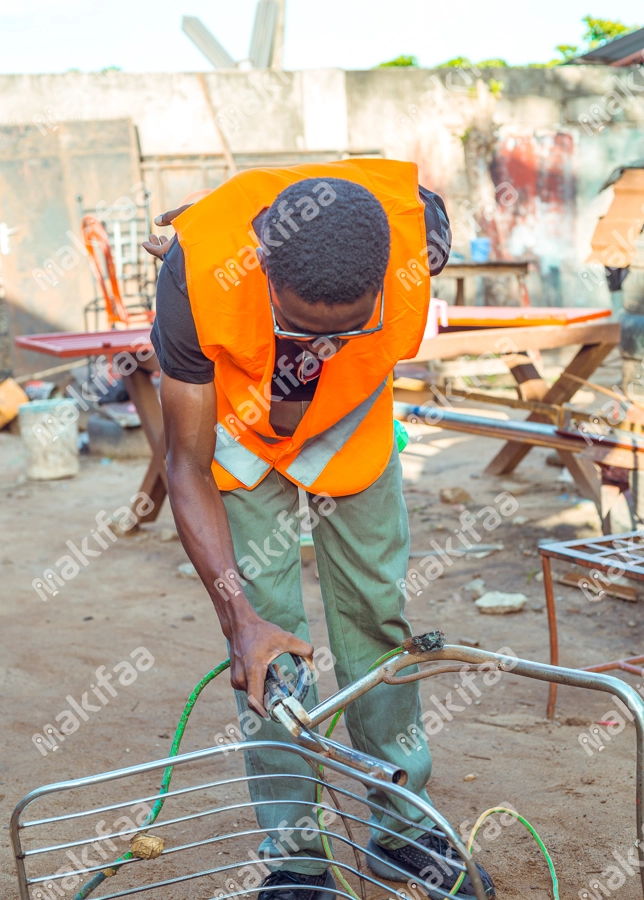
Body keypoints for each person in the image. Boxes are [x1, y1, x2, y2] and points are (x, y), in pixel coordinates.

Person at [144, 159, 495, 899]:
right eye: (298, 324)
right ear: (265, 269)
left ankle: (403, 828)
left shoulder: (417, 229)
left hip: (348, 419)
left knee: (376, 611)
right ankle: (297, 856)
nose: (313, 344)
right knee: (268, 645)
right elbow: (185, 463)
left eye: (342, 326)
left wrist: (321, 364)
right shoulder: (197, 275)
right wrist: (239, 619)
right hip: (235, 425)